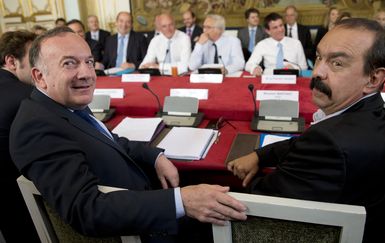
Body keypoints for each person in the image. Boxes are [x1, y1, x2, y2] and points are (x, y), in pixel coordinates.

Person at [9, 27, 247, 242]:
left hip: (146, 204)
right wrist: (181, 200)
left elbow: (108, 141)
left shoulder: (63, 103)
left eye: (89, 62)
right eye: (69, 63)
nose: (86, 74)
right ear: (40, 77)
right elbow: (87, 210)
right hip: (141, 230)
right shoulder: (37, 127)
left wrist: (154, 155)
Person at [229, 18, 385, 243]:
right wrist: (260, 155)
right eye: (319, 57)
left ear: (374, 78)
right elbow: (302, 144)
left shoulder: (329, 143)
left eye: (337, 63)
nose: (317, 72)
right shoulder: (374, 111)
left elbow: (260, 199)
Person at [0, 30, 39, 243]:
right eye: (33, 58)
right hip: (17, 199)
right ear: (11, 61)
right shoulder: (26, 96)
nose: (38, 65)